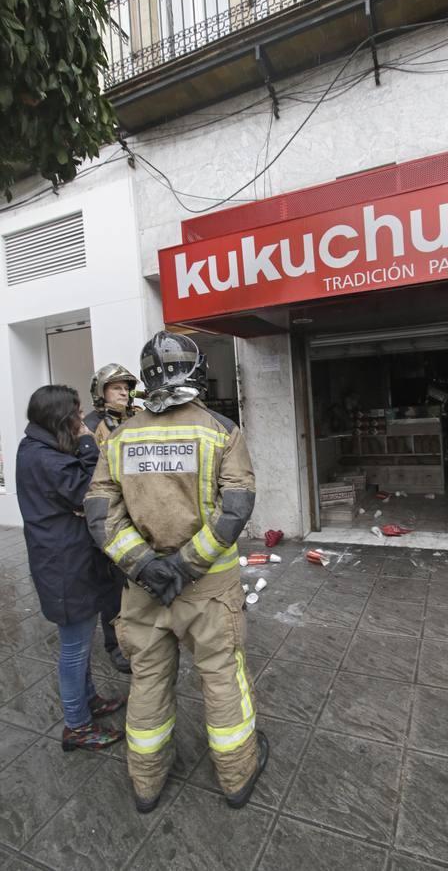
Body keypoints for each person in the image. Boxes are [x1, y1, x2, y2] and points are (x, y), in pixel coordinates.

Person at [84, 331, 268, 814]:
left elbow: (102, 515)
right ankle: (237, 776)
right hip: (207, 590)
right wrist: (184, 566)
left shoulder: (120, 437)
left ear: (146, 378)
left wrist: (145, 565)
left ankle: (145, 784)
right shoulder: (221, 431)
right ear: (197, 370)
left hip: (144, 592)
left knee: (146, 681)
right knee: (222, 678)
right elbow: (235, 509)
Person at [15, 385, 125, 752]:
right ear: (61, 418)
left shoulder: (36, 447)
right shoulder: (47, 458)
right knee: (75, 648)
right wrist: (89, 442)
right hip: (64, 566)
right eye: (77, 415)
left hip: (64, 560)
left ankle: (88, 701)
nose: (82, 420)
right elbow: (89, 491)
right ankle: (76, 726)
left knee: (79, 642)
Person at [84, 364, 140, 674]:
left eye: (126, 387)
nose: (123, 392)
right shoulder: (89, 425)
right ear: (101, 391)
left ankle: (143, 637)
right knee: (113, 588)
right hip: (111, 513)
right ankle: (115, 645)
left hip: (139, 509)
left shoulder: (138, 418)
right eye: (116, 387)